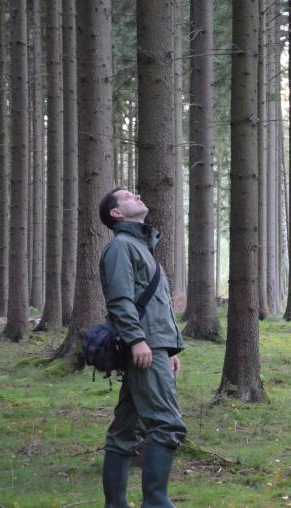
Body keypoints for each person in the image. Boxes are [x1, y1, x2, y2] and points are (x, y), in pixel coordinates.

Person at [97, 187, 186, 508]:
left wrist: (169, 350)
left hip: (154, 346)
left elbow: (154, 305)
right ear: (116, 214)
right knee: (167, 424)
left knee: (125, 431)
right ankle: (157, 503)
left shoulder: (140, 246)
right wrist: (137, 340)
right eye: (128, 196)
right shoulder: (121, 247)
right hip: (144, 346)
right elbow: (120, 300)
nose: (136, 196)